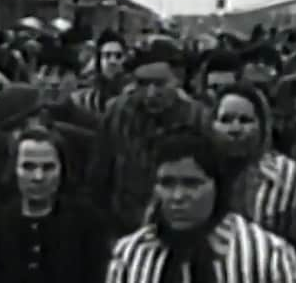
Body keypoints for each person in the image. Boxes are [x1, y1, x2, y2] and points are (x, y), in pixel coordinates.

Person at [106, 131, 296, 283]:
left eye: (191, 184)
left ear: (217, 187)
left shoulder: (266, 254)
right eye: (167, 184)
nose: (177, 197)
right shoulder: (132, 254)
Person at [86, 41, 208, 235]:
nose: (151, 94)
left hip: (182, 226)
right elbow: (100, 175)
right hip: (123, 228)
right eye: (143, 84)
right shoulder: (117, 114)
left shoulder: (197, 118)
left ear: (177, 79)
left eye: (159, 84)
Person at [0, 127, 108, 283]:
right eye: (28, 167)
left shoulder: (88, 224)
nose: (38, 177)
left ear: (62, 169)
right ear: (14, 169)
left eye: (48, 167)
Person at [211, 84, 296, 259]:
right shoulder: (197, 177)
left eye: (245, 120)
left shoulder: (291, 178)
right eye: (226, 120)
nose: (235, 129)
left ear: (263, 125)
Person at [71, 29, 129, 116]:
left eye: (118, 56)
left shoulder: (131, 89)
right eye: (107, 55)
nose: (112, 61)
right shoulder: (83, 87)